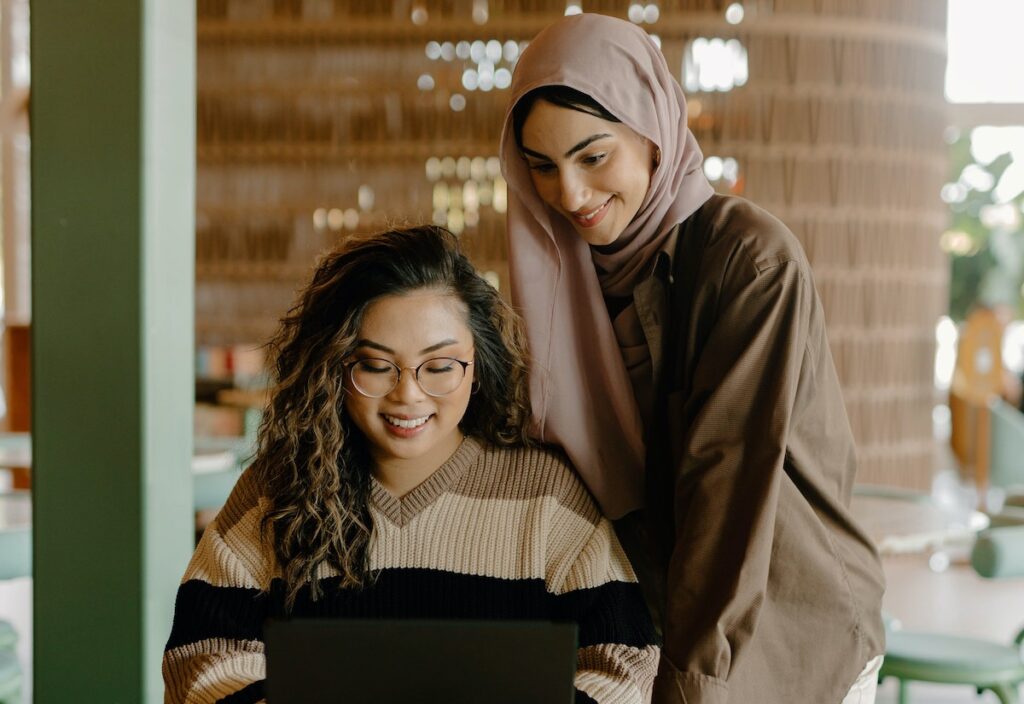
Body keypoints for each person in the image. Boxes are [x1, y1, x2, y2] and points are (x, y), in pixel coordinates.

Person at [498, 13, 886, 704]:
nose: (570, 195)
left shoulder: (749, 262)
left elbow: (726, 490)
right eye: (542, 168)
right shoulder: (556, 279)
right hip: (651, 628)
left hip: (789, 631)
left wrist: (686, 687)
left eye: (593, 156)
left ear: (653, 132)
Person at [162, 225, 659, 703]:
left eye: (440, 367)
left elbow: (624, 659)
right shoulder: (277, 490)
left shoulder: (545, 495)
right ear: (333, 369)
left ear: (478, 368)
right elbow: (202, 655)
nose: (408, 395)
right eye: (376, 366)